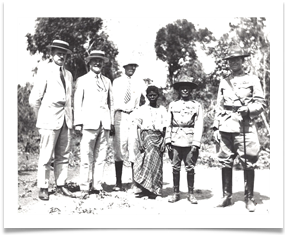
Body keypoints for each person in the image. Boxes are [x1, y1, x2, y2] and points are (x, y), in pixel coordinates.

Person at [212, 45, 266, 212]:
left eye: (237, 59)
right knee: (225, 160)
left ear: (243, 61)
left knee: (248, 161)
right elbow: (219, 106)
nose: (234, 62)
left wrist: (249, 109)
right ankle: (226, 196)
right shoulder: (224, 81)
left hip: (245, 126)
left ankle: (249, 198)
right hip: (226, 125)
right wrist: (215, 127)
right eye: (231, 60)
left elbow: (261, 103)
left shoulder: (253, 79)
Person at [29, 39, 75, 200]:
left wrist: (71, 120)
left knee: (63, 155)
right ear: (52, 54)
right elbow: (34, 99)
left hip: (65, 120)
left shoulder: (68, 74)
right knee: (46, 155)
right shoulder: (45, 71)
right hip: (48, 120)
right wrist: (40, 120)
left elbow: (69, 100)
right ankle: (43, 187)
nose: (61, 56)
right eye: (58, 53)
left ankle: (61, 184)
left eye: (64, 54)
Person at [73, 50, 115, 199]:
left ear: (103, 63)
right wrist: (77, 123)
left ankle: (97, 185)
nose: (97, 63)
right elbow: (77, 103)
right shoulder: (82, 80)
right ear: (89, 63)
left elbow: (111, 103)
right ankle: (84, 186)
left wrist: (111, 123)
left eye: (100, 61)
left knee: (101, 156)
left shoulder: (107, 81)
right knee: (86, 156)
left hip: (104, 124)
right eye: (94, 60)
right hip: (88, 123)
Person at [165, 75, 203, 204]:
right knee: (175, 167)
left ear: (191, 90)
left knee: (190, 167)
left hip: (190, 139)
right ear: (179, 90)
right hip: (175, 139)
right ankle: (176, 193)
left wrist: (196, 143)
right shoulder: (172, 105)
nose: (185, 91)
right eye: (182, 88)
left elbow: (199, 124)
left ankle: (191, 194)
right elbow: (168, 123)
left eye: (187, 88)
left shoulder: (196, 105)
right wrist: (168, 140)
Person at [112, 60, 146, 191]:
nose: (131, 68)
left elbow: (148, 98)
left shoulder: (139, 82)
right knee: (119, 147)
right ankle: (118, 182)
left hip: (133, 114)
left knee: (133, 146)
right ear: (124, 66)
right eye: (129, 66)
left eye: (134, 66)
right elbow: (111, 101)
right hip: (119, 115)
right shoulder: (116, 82)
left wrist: (142, 113)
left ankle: (135, 182)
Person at [133, 85, 167, 199]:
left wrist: (163, 141)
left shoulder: (162, 109)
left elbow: (166, 127)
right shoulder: (142, 109)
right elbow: (138, 126)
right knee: (144, 163)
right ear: (147, 96)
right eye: (150, 95)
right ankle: (145, 189)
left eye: (154, 95)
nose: (152, 97)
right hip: (145, 137)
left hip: (158, 138)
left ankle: (155, 190)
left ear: (158, 96)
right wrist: (140, 141)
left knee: (157, 165)